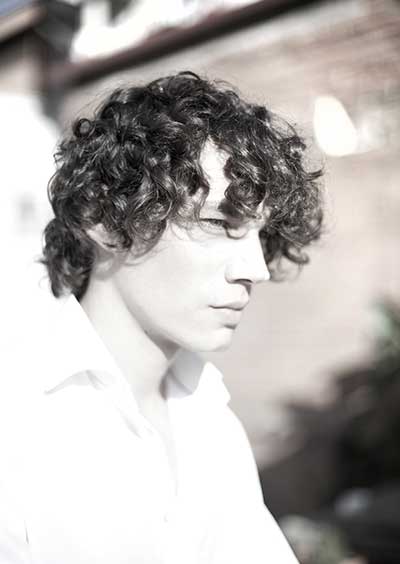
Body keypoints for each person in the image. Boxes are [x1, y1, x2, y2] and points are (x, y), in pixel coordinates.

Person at [0, 71, 323, 564]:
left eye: (261, 234)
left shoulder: (211, 416)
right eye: (218, 222)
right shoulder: (16, 422)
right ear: (106, 220)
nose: (256, 269)